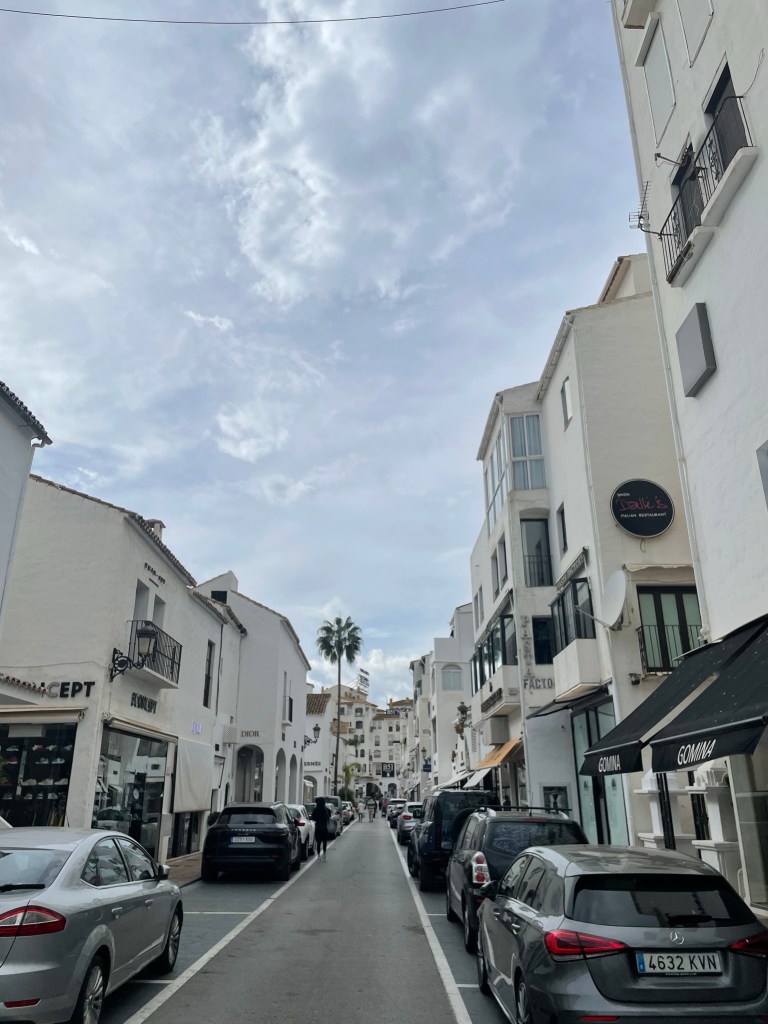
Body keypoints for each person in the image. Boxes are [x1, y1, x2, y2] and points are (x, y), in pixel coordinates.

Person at [311, 796, 330, 860]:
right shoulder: (326, 810)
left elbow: (313, 817)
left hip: (318, 828)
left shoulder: (315, 810)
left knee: (318, 842)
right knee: (324, 841)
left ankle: (319, 855)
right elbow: (328, 817)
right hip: (324, 828)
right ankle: (324, 853)